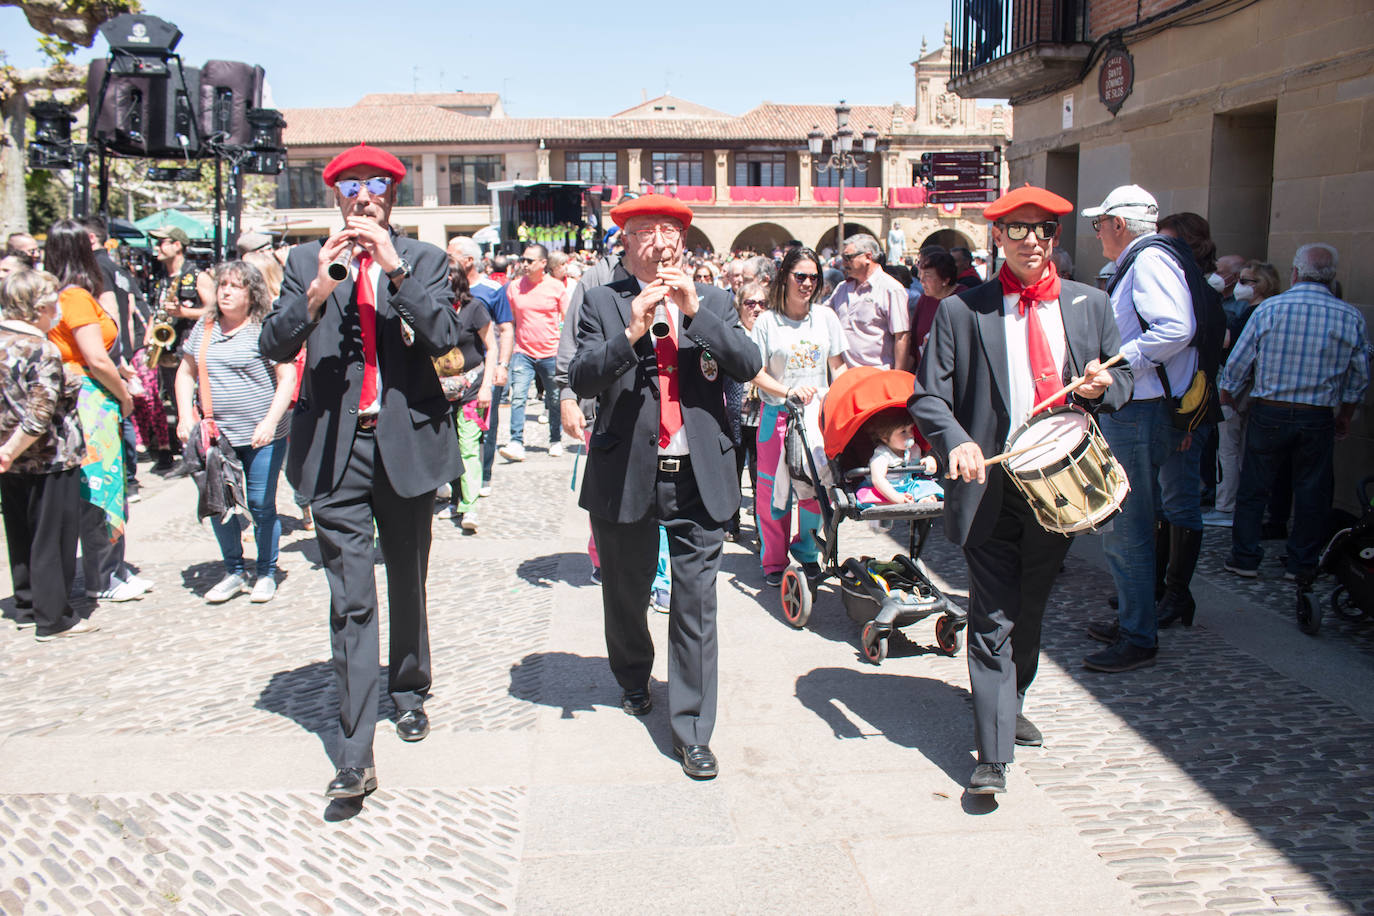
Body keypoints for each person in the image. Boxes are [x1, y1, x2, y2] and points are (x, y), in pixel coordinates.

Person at [259, 143, 463, 799]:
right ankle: (354, 754)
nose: (363, 196)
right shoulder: (300, 262)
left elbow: (444, 339)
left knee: (407, 579)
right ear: (336, 198)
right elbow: (273, 342)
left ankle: (407, 687)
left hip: (404, 446)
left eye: (376, 186)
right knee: (351, 601)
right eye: (351, 187)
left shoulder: (425, 260)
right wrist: (317, 292)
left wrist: (395, 270)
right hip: (334, 450)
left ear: (393, 197)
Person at [912, 185, 1129, 795]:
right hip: (987, 483)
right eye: (1018, 230)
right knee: (993, 612)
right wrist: (953, 439)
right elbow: (927, 394)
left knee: (1030, 608)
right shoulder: (963, 310)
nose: (1031, 240)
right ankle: (992, 751)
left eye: (1043, 231)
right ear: (998, 238)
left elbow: (1123, 378)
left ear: (1056, 238)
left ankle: (1012, 699)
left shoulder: (1090, 305)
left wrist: (1097, 390)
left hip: (1057, 487)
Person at [570, 194, 761, 780]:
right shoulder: (601, 301)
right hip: (626, 471)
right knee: (626, 594)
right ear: (624, 243)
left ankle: (692, 730)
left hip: (699, 474)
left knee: (696, 604)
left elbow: (748, 363)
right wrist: (629, 334)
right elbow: (580, 374)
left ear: (684, 243)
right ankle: (632, 675)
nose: (660, 240)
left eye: (671, 230)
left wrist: (697, 311)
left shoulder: (717, 302)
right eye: (646, 230)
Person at [1081, 185, 1209, 669]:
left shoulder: (1148, 260)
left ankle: (1139, 635)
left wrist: (1118, 363)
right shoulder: (1154, 257)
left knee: (1126, 526)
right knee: (1134, 522)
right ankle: (1139, 618)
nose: (1097, 234)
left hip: (1139, 408)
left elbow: (1175, 328)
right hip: (1144, 407)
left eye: (1100, 224)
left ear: (1118, 224)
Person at [1221, 243, 1369, 582]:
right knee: (1311, 490)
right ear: (1331, 277)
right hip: (1316, 413)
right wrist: (1345, 413)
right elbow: (1359, 375)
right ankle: (1300, 562)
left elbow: (1239, 361)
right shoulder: (1348, 315)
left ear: (1296, 273)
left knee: (1255, 486)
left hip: (1269, 410)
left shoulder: (1271, 309)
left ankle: (1245, 556)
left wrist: (1228, 394)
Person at [175, 261, 296, 604]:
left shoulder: (264, 328)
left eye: (236, 286)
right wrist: (185, 415)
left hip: (261, 433)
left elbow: (287, 377)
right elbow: (185, 374)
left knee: (259, 504)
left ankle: (267, 572)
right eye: (222, 285)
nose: (226, 291)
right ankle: (234, 570)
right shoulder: (206, 327)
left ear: (252, 293)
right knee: (221, 503)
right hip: (217, 433)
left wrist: (270, 422)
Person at [45, 219, 146, 604]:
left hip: (78, 393)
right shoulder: (74, 298)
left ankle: (108, 571)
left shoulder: (56, 295)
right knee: (102, 489)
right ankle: (103, 575)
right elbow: (95, 358)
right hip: (91, 398)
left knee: (97, 488)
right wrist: (123, 394)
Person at [0, 269, 94, 640]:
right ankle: (53, 616)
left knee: (20, 532)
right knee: (51, 537)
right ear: (38, 306)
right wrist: (9, 450)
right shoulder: (40, 348)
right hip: (49, 456)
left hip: (12, 458)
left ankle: (27, 604)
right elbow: (39, 415)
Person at [749, 246, 847, 587]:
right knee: (773, 493)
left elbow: (838, 367)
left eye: (813, 277)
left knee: (816, 489)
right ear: (784, 278)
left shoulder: (826, 318)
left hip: (816, 419)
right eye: (800, 276)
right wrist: (786, 391)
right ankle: (773, 560)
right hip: (776, 416)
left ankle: (806, 550)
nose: (807, 283)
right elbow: (754, 371)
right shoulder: (766, 322)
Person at [1205, 260, 1280, 528]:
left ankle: (1226, 505)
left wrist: (1228, 389)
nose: (1241, 286)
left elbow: (1237, 352)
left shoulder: (1258, 312)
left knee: (1229, 448)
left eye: (1248, 281)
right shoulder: (1255, 311)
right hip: (1248, 389)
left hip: (1240, 389)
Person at [447, 237, 513, 499]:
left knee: (486, 424)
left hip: (483, 369)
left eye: (451, 255)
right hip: (451, 374)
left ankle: (483, 475)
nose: (446, 260)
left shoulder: (491, 289)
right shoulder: (442, 288)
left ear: (468, 261)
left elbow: (505, 329)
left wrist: (502, 365)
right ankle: (457, 485)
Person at [433, 265, 496, 531]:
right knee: (447, 447)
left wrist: (487, 386)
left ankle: (469, 507)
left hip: (471, 386)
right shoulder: (433, 312)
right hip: (438, 390)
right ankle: (455, 499)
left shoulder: (475, 309)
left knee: (468, 445)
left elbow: (491, 347)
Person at [148, 226, 213, 474]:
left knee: (194, 404)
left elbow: (214, 309)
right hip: (166, 350)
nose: (157, 248)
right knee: (177, 405)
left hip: (190, 350)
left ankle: (198, 456)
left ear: (178, 245)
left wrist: (184, 313)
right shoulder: (163, 279)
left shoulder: (197, 276)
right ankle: (187, 454)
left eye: (162, 242)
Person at [500, 243, 568, 461]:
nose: (525, 264)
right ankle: (516, 441)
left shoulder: (556, 288)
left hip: (551, 351)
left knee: (555, 398)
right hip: (523, 352)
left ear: (543, 263)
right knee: (518, 396)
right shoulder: (514, 287)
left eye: (530, 261)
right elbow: (508, 321)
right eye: (523, 260)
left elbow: (567, 319)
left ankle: (555, 439)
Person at [826, 233, 910, 370]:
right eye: (842, 258)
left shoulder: (891, 289)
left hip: (876, 376)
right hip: (844, 376)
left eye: (848, 257)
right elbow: (823, 315)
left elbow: (902, 337)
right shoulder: (842, 288)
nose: (843, 263)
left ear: (868, 257)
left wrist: (897, 377)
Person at [724, 282, 768, 540]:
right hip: (735, 414)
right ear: (739, 307)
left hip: (763, 414)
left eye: (762, 303)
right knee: (733, 471)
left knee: (761, 476)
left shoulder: (770, 331)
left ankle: (764, 527)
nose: (757, 309)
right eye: (750, 303)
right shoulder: (733, 334)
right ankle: (731, 522)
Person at [853, 408, 940, 505]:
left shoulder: (914, 449)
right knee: (869, 495)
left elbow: (919, 467)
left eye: (910, 429)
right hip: (885, 489)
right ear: (885, 438)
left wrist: (928, 461)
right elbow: (878, 479)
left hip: (907, 486)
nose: (910, 434)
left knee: (926, 484)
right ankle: (895, 503)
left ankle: (924, 500)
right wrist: (896, 498)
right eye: (903, 432)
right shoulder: (882, 455)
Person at [910, 249, 959, 366]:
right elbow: (913, 342)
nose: (921, 280)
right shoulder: (924, 299)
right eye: (920, 274)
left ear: (945, 279)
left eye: (927, 275)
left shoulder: (961, 300)